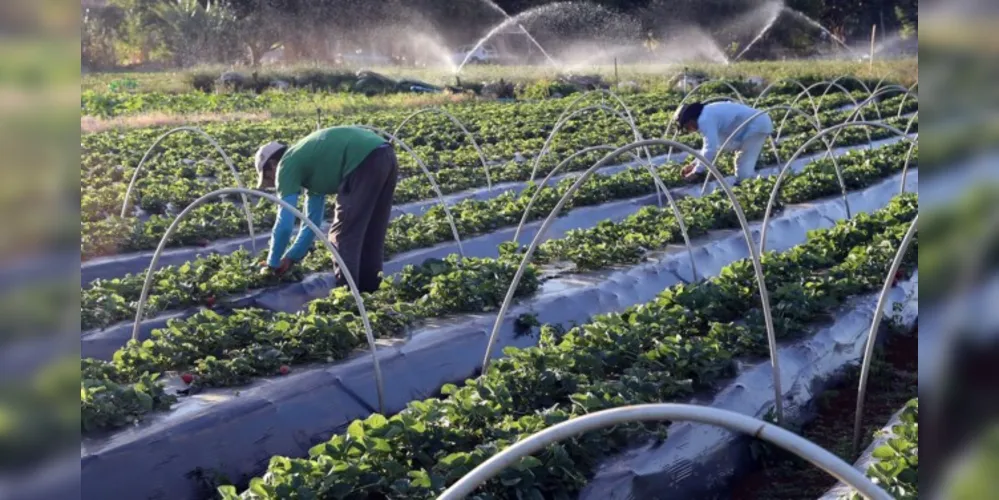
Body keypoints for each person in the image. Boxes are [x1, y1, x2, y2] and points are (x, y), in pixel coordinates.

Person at [253, 126, 398, 293]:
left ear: (272, 165)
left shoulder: (286, 164)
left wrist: (272, 262)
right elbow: (311, 224)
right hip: (385, 154)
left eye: (268, 177)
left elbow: (285, 223)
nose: (272, 183)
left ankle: (349, 298)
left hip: (363, 160)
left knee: (342, 236)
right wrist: (290, 257)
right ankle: (369, 293)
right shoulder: (309, 164)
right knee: (371, 233)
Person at [675, 101, 774, 186]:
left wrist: (697, 171)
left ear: (691, 120)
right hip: (750, 127)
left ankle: (755, 187)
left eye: (687, 127)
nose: (690, 130)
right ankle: (755, 184)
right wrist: (694, 164)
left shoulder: (704, 120)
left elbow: (710, 148)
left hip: (756, 125)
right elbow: (711, 146)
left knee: (744, 167)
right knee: (734, 156)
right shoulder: (707, 113)